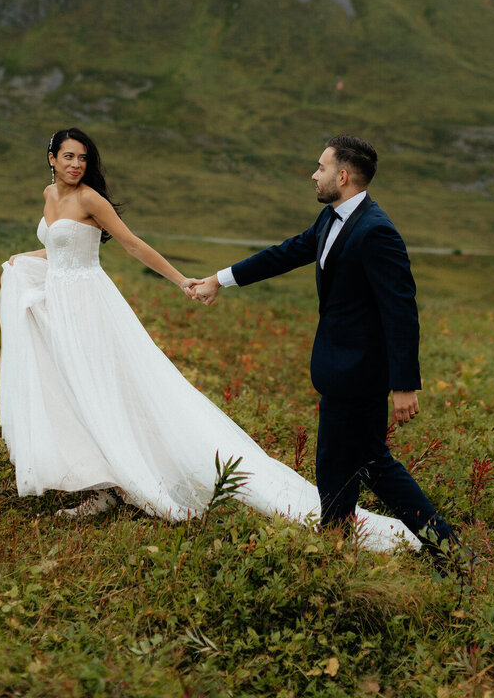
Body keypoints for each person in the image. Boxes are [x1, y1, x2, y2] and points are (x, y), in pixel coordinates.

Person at [0, 127, 418, 552]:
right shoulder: (50, 196)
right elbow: (59, 249)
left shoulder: (90, 198)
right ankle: (100, 481)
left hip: (90, 307)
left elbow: (132, 244)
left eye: (82, 158)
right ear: (52, 158)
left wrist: (185, 281)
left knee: (107, 390)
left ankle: (428, 537)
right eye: (68, 156)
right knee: (74, 389)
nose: (76, 164)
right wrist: (22, 260)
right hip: (61, 304)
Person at [190, 134, 457, 557]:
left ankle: (450, 550)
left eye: (321, 167)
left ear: (344, 175)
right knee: (336, 461)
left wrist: (404, 383)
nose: (314, 175)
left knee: (372, 463)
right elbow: (286, 253)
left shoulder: (377, 231)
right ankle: (335, 543)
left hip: (361, 373)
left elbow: (401, 310)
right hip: (337, 369)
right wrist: (220, 279)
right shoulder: (331, 218)